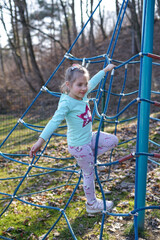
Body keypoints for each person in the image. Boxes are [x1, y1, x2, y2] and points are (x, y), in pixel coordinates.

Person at [29, 63, 118, 214]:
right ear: (69, 85)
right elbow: (54, 122)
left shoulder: (82, 93)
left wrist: (105, 70)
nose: (84, 88)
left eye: (85, 84)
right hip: (79, 146)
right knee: (89, 173)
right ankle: (92, 204)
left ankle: (91, 159)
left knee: (113, 140)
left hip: (89, 138)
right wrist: (40, 141)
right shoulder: (66, 103)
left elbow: (94, 81)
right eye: (79, 85)